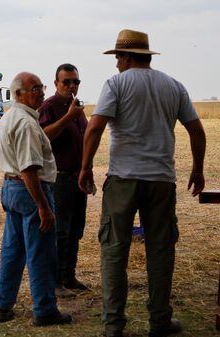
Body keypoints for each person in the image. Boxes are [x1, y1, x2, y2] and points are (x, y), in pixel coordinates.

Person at [79, 29, 206, 337]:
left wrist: (85, 168)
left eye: (118, 57)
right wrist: (198, 169)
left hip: (123, 178)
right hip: (161, 180)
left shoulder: (116, 84)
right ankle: (160, 321)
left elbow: (95, 128)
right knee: (161, 251)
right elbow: (196, 131)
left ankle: (113, 325)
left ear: (125, 56)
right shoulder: (173, 86)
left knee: (114, 250)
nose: (116, 63)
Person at [0, 72, 72, 326]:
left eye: (41, 87)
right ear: (18, 94)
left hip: (10, 189)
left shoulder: (8, 118)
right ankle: (45, 310)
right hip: (28, 190)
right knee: (41, 253)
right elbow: (28, 170)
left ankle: (3, 306)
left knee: (12, 252)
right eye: (35, 89)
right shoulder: (26, 124)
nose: (41, 92)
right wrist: (43, 206)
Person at [38, 63, 89, 297]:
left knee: (76, 229)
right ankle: (56, 282)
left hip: (78, 178)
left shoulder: (76, 107)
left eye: (75, 82)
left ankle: (69, 276)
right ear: (56, 83)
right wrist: (68, 117)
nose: (71, 86)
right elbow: (44, 136)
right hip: (59, 179)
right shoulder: (50, 106)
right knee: (61, 231)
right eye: (66, 81)